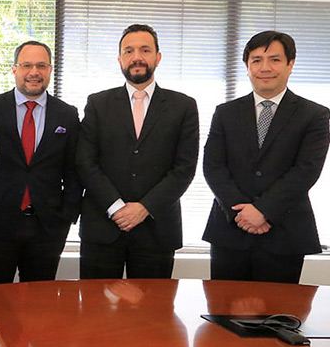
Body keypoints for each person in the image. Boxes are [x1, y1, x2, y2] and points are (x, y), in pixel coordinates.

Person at [0, 40, 82, 347]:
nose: (34, 72)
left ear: (50, 70)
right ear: (15, 70)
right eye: (27, 65)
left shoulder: (68, 114)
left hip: (46, 226)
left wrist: (66, 217)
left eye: (41, 66)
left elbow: (75, 172)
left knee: (38, 306)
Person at [203, 31, 330, 283]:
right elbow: (213, 167)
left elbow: (306, 170)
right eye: (256, 60)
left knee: (279, 307)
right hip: (230, 231)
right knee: (223, 306)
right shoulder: (225, 112)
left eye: (275, 59)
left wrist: (263, 210)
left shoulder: (315, 115)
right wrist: (241, 212)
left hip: (285, 233)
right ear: (247, 66)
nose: (265, 68)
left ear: (290, 64)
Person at [77, 23, 198, 279]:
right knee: (95, 304)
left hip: (157, 230)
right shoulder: (97, 103)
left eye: (145, 50)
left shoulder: (183, 106)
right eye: (129, 51)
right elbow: (85, 162)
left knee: (153, 305)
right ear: (119, 59)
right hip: (102, 227)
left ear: (158, 57)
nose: (137, 57)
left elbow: (184, 169)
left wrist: (144, 208)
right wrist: (116, 207)